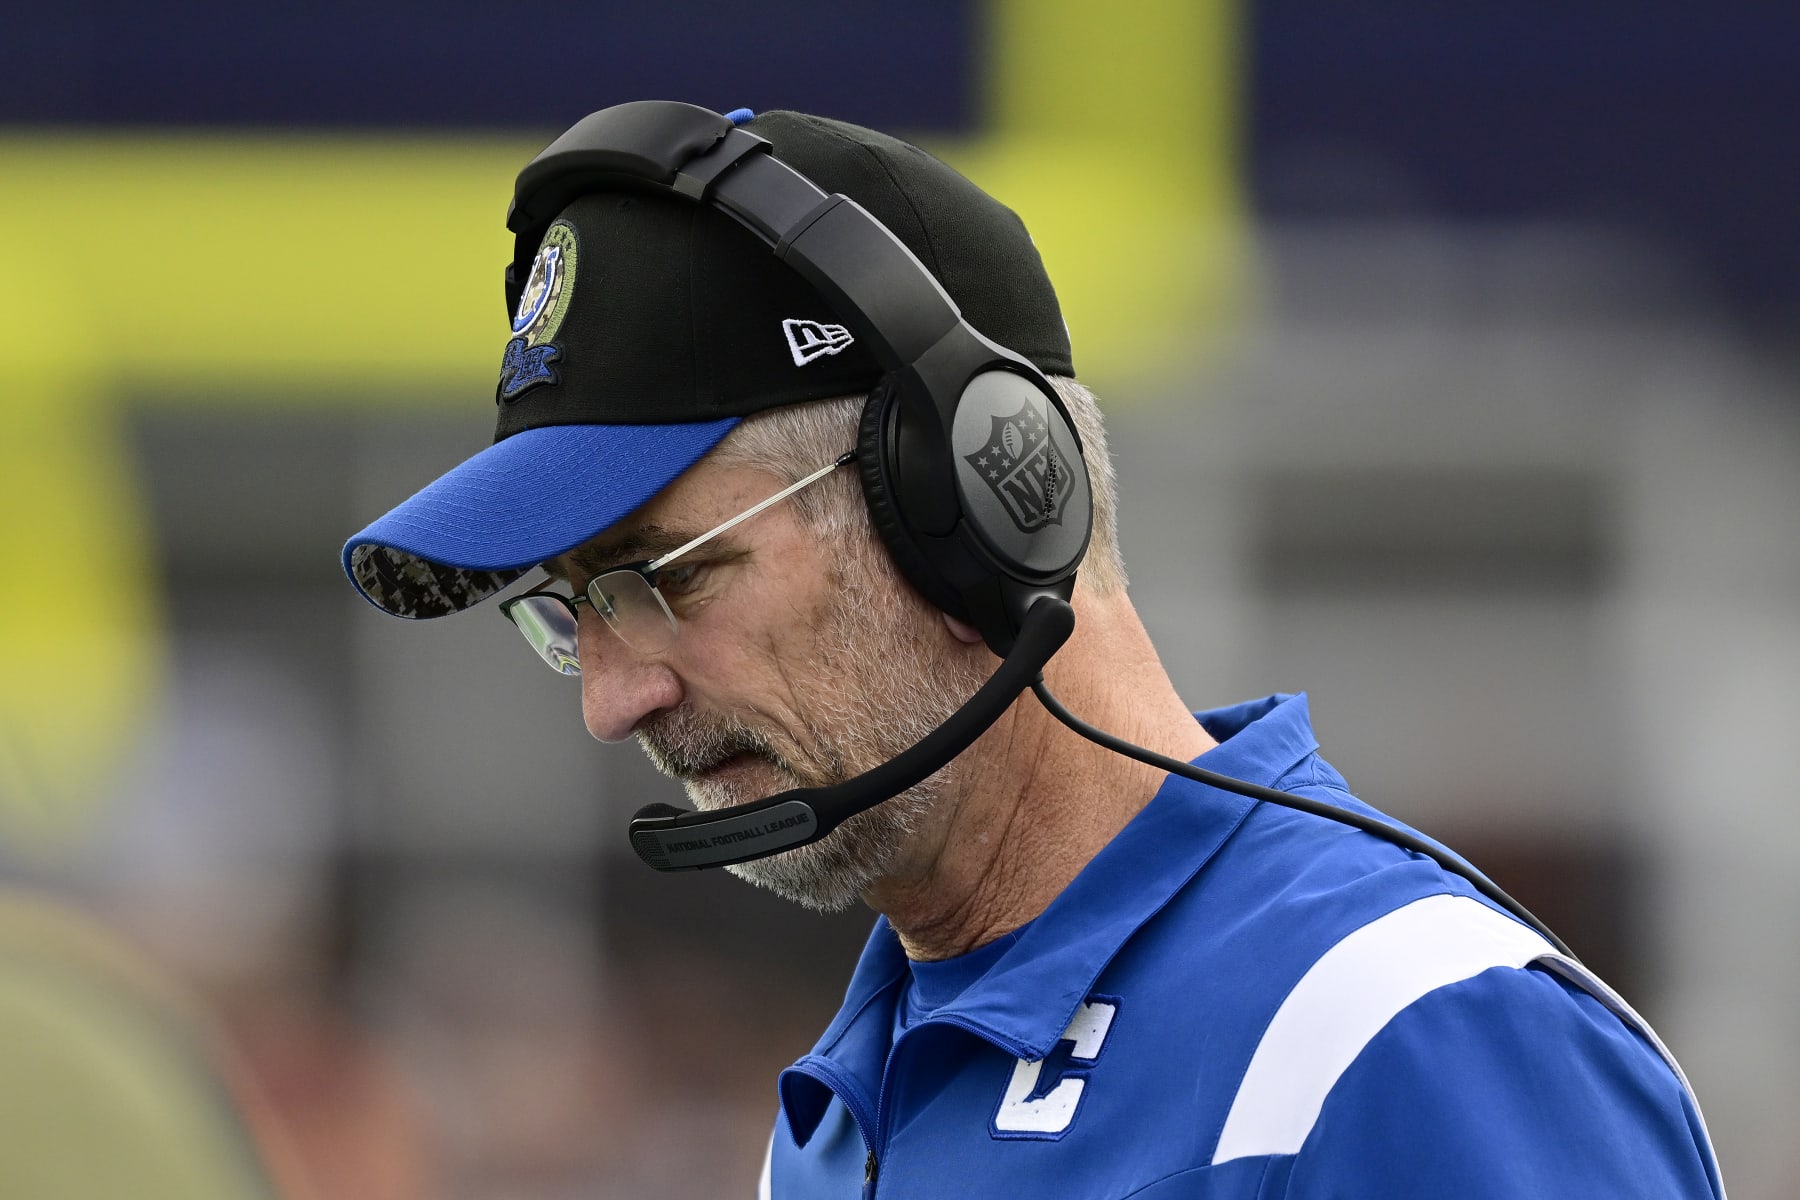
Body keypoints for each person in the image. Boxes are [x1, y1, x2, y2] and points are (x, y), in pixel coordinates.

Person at [342, 103, 1725, 1197]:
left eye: (670, 574)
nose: (614, 699)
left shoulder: (1404, 1036)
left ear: (973, 504)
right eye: (573, 608)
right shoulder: (833, 1124)